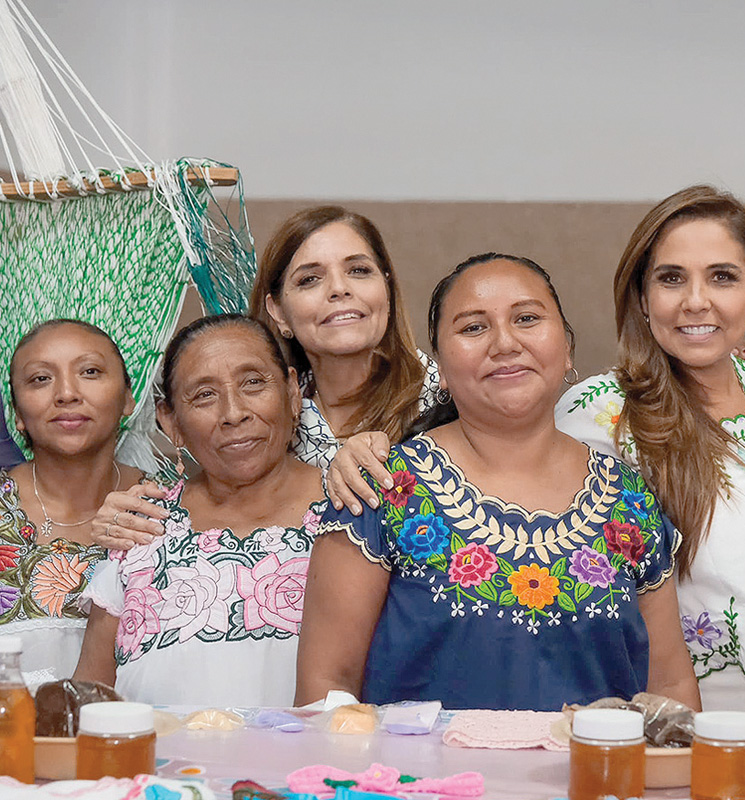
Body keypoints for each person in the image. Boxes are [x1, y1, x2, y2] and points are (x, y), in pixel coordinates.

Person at [298, 253, 700, 711]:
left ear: (567, 347)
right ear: (440, 368)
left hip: (594, 761)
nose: (505, 343)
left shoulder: (627, 497)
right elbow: (326, 685)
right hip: (417, 762)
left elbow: (670, 686)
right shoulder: (380, 486)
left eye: (527, 319)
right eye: (473, 328)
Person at [556, 185, 745, 715]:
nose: (696, 301)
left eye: (722, 277)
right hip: (670, 709)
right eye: (671, 278)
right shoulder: (598, 413)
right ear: (642, 296)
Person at [92, 205, 438, 549]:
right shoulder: (268, 408)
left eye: (359, 270)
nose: (339, 289)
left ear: (386, 287)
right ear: (279, 312)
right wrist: (125, 518)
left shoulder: (447, 398)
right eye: (310, 279)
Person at [74, 315, 324, 706]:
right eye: (204, 395)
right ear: (170, 421)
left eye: (253, 382)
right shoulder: (140, 529)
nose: (234, 413)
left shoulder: (351, 511)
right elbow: (88, 701)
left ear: (293, 392)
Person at [0, 320, 140, 679]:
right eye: (40, 379)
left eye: (90, 371)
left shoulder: (171, 509)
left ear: (128, 396)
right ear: (17, 414)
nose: (66, 393)